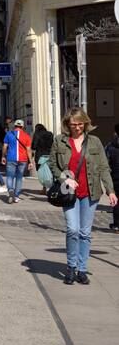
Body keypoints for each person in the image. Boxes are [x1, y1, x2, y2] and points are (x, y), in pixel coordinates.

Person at [49, 108, 116, 285]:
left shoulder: (94, 142)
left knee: (85, 233)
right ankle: (71, 267)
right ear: (67, 125)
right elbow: (53, 165)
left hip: (90, 193)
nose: (77, 127)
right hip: (69, 194)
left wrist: (110, 191)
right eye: (73, 124)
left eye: (80, 124)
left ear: (86, 123)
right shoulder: (60, 141)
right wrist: (65, 179)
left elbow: (103, 167)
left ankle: (82, 269)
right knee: (73, 229)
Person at [1, 118, 32, 203]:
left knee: (10, 176)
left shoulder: (9, 134)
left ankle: (10, 190)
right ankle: (16, 195)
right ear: (22, 127)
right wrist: (31, 162)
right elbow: (28, 150)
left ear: (15, 126)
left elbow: (4, 147)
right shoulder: (26, 136)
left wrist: (3, 156)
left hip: (11, 158)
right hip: (23, 159)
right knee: (19, 177)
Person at [32, 122, 55, 195]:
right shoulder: (50, 134)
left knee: (42, 173)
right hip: (49, 155)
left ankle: (44, 188)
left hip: (40, 157)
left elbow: (34, 146)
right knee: (50, 172)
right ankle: (51, 188)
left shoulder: (37, 134)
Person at [106, 127, 119, 231]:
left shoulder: (110, 146)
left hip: (115, 177)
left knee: (116, 201)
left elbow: (106, 163)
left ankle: (117, 224)